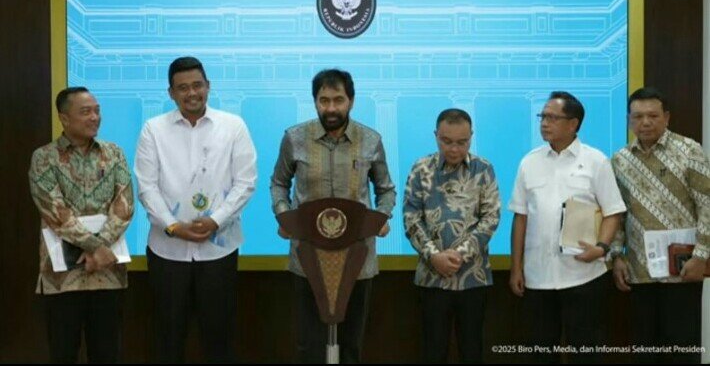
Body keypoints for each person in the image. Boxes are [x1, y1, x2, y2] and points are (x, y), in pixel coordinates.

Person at [134, 56, 257, 363]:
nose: (192, 93)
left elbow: (246, 182)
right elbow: (146, 186)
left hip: (219, 250)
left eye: (197, 85)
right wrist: (173, 226)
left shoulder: (233, 126)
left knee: (219, 337)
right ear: (171, 93)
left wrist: (216, 221)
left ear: (208, 86)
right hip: (167, 251)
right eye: (183, 87)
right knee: (168, 337)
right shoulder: (153, 129)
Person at [270, 68, 396, 363]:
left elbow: (386, 189)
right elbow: (278, 183)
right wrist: (284, 216)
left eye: (338, 100)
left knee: (351, 345)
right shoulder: (294, 138)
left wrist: (381, 217)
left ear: (351, 101)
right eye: (323, 100)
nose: (331, 108)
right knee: (309, 346)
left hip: (357, 257)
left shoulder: (370, 140)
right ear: (315, 101)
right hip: (308, 257)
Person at [508, 91, 626, 363]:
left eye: (552, 117)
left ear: (573, 124)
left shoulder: (596, 160)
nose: (544, 123)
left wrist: (601, 248)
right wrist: (516, 268)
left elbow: (613, 212)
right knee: (539, 352)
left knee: (587, 351)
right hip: (538, 276)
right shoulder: (529, 162)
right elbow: (520, 217)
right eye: (542, 116)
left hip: (584, 275)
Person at [29, 86, 134, 363]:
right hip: (63, 278)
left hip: (108, 273)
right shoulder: (44, 157)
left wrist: (100, 249)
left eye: (97, 111)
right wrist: (95, 247)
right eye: (86, 112)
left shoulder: (114, 153)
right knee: (63, 353)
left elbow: (124, 205)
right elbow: (54, 210)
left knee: (108, 353)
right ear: (64, 118)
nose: (94, 117)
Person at [611, 86, 709, 364]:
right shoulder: (620, 160)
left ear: (666, 117)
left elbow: (707, 204)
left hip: (683, 268)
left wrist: (701, 256)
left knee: (682, 348)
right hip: (639, 270)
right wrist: (616, 255)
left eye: (653, 116)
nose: (645, 122)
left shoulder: (689, 150)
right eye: (638, 116)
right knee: (644, 349)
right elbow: (617, 212)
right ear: (629, 120)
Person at [403, 108, 500, 363]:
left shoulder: (483, 169)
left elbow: (491, 218)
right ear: (436, 135)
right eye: (446, 141)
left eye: (462, 142)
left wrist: (459, 254)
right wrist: (434, 256)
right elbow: (411, 218)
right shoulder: (421, 169)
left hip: (473, 278)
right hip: (432, 278)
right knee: (433, 351)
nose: (454, 149)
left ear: (471, 137)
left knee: (472, 350)